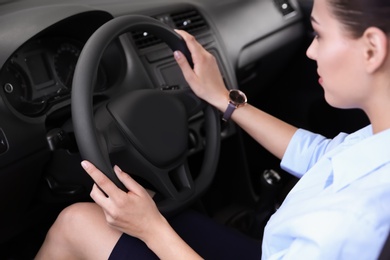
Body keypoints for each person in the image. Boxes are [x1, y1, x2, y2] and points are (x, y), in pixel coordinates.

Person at [36, 0, 390, 259]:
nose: (310, 51)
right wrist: (223, 100)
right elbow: (323, 156)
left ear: (372, 48)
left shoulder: (355, 224)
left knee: (76, 222)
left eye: (319, 34)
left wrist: (150, 229)